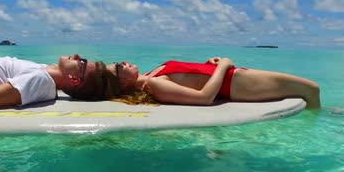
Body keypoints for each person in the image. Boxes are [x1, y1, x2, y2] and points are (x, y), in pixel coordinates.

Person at [64, 57, 321, 109]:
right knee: (311, 89)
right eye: (119, 67)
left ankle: (322, 112)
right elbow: (205, 98)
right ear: (123, 84)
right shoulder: (153, 86)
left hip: (236, 75)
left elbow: (189, 74)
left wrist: (208, 63)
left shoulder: (151, 75)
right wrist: (221, 68)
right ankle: (318, 116)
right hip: (237, 83)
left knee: (308, 89)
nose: (123, 62)